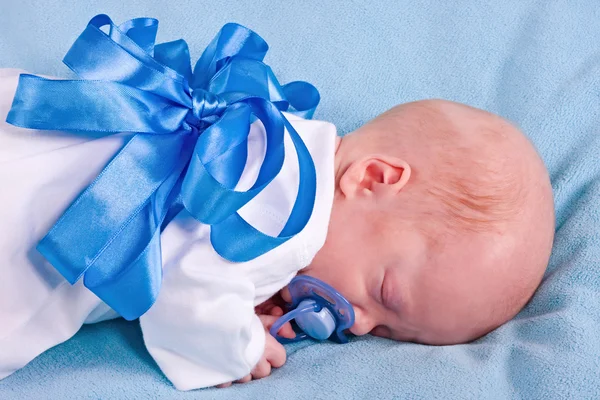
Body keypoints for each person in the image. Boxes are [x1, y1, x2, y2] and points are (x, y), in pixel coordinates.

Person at [0, 69, 554, 390]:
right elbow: (185, 290)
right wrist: (237, 346)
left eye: (387, 332)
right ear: (374, 178)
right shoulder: (294, 213)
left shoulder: (274, 133)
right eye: (385, 295)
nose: (358, 326)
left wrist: (259, 290)